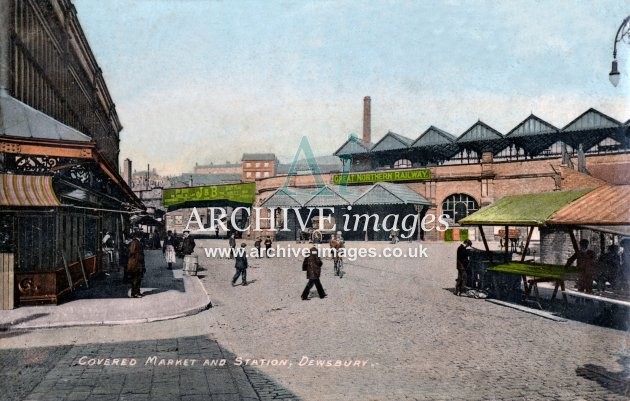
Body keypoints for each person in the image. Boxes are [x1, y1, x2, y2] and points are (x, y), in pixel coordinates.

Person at [127, 233, 145, 298]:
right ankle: (134, 293)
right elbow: (132, 252)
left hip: (138, 263)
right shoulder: (135, 242)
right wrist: (138, 255)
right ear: (139, 237)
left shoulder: (136, 242)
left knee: (138, 278)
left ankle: (137, 292)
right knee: (135, 278)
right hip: (135, 263)